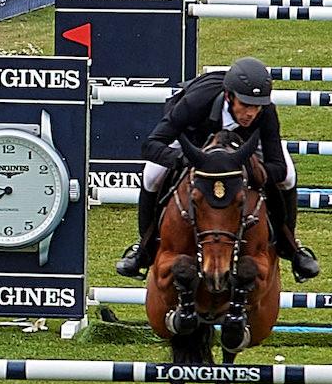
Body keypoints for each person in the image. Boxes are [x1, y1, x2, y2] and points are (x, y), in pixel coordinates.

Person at [111, 55, 318, 282]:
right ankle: (143, 250)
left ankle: (292, 248)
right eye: (245, 105)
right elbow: (151, 145)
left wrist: (259, 172)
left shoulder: (265, 112)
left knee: (288, 177)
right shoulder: (197, 102)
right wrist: (182, 160)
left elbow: (277, 166)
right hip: (194, 137)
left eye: (257, 107)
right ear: (229, 97)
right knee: (151, 176)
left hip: (244, 144)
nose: (250, 113)